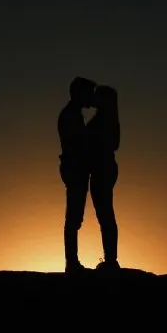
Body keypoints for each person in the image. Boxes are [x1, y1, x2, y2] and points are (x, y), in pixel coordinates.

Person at [58, 77, 97, 273]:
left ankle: (72, 262)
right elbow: (77, 144)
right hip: (75, 169)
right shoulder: (70, 116)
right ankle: (71, 263)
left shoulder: (72, 115)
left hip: (74, 168)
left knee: (74, 217)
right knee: (73, 217)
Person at [87, 85, 120, 273]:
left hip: (102, 169)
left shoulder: (103, 120)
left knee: (105, 215)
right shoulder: (109, 119)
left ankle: (111, 260)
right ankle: (110, 259)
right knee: (106, 215)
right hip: (107, 168)